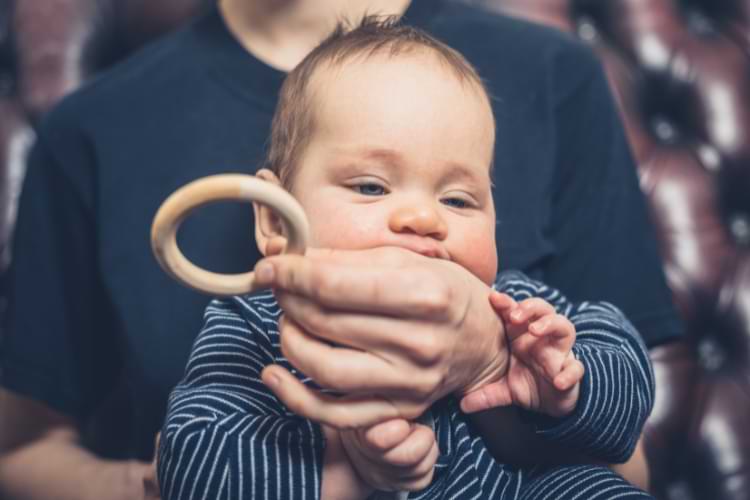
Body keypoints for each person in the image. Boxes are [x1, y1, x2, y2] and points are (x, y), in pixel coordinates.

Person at [0, 0, 679, 498]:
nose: (422, 218)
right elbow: (189, 459)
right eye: (369, 186)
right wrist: (342, 472)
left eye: (462, 200)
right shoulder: (248, 335)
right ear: (272, 221)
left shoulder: (519, 303)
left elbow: (626, 434)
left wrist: (527, 371)